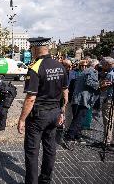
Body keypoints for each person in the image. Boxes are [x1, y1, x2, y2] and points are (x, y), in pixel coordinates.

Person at [17, 37, 68, 184]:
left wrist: (21, 119)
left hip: (38, 116)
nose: (31, 51)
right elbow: (65, 92)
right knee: (50, 148)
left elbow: (31, 98)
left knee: (32, 152)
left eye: (31, 49)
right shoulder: (60, 66)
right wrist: (62, 112)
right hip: (54, 113)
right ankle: (45, 180)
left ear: (35, 49)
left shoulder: (35, 67)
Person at [64, 59, 100, 150]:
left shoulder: (85, 71)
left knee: (77, 119)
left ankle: (76, 136)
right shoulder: (92, 71)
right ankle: (69, 138)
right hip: (82, 100)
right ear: (96, 66)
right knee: (78, 120)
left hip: (77, 99)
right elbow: (90, 83)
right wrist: (100, 85)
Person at [100, 57, 114, 151]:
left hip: (110, 99)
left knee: (108, 121)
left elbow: (104, 88)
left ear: (108, 64)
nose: (103, 66)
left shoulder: (110, 74)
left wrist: (101, 85)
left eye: (104, 65)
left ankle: (107, 142)